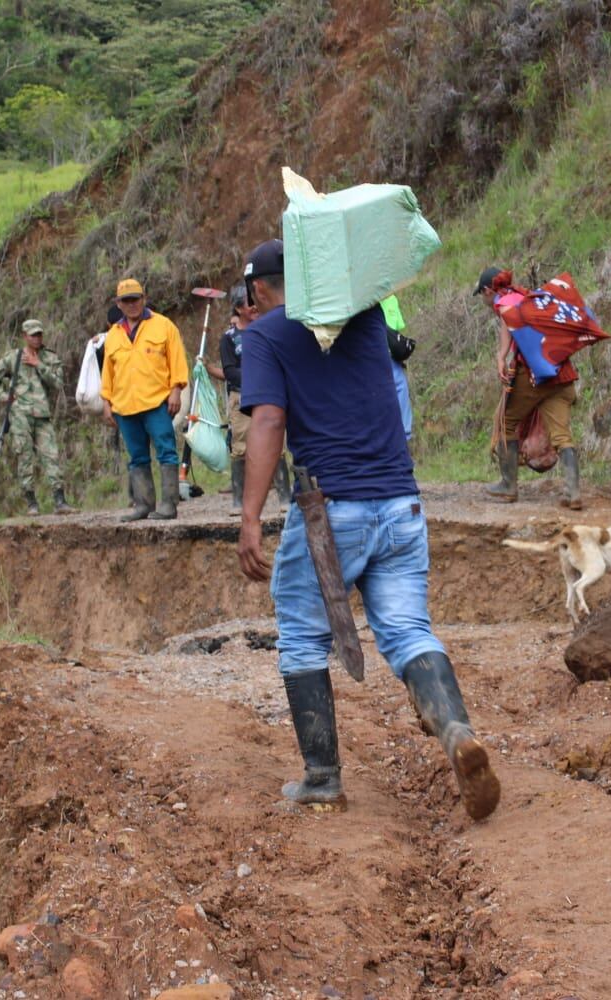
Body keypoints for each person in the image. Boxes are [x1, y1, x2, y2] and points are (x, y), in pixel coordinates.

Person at [236, 239, 500, 821]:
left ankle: (322, 778)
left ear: (257, 289)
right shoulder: (366, 317)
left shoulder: (264, 335)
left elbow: (270, 421)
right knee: (408, 630)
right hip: (401, 504)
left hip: (333, 512)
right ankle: (456, 729)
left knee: (304, 640)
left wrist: (250, 517)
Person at [474, 267, 583, 510]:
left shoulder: (505, 301)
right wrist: (502, 355)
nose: (484, 300)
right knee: (562, 434)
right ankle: (573, 493)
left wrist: (501, 357)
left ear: (487, 290)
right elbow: (510, 324)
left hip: (535, 374)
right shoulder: (528, 297)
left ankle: (508, 485)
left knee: (506, 421)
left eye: (481, 295)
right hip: (561, 373)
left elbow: (506, 319)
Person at [101, 278, 188, 521]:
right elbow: (108, 372)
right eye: (126, 300)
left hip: (157, 402)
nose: (132, 304)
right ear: (118, 304)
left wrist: (176, 390)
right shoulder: (113, 335)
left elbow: (177, 360)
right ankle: (143, 505)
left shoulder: (164, 326)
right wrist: (106, 402)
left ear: (144, 298)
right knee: (137, 456)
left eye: (135, 299)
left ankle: (169, 504)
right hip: (125, 406)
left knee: (166, 451)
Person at [208, 285, 289, 516]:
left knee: (278, 444)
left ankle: (285, 496)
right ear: (237, 308)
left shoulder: (268, 330)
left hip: (270, 394)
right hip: (240, 395)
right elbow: (229, 370)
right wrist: (257, 376)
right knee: (240, 446)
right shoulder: (230, 338)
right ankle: (238, 501)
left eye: (253, 300)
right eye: (247, 302)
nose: (253, 306)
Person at [0, 319, 74, 516]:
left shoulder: (49, 357)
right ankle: (31, 503)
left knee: (51, 455)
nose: (37, 338)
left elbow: (58, 382)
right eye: (33, 335)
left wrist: (39, 365)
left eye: (39, 334)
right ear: (25, 336)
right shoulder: (13, 358)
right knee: (25, 457)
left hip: (42, 414)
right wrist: (5, 397)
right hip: (20, 415)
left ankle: (60, 501)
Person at [381, 295, 415, 440]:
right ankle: (403, 436)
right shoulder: (392, 298)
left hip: (378, 354)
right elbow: (397, 329)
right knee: (399, 387)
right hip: (386, 355)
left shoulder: (366, 300)